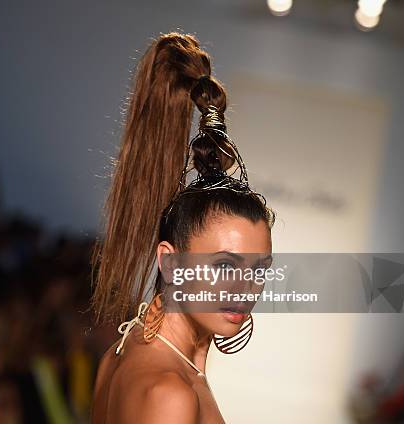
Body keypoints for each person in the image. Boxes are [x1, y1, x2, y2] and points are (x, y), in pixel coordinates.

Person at [90, 32, 275, 423]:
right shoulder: (169, 394)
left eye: (259, 269)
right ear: (170, 263)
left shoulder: (125, 351)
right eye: (225, 266)